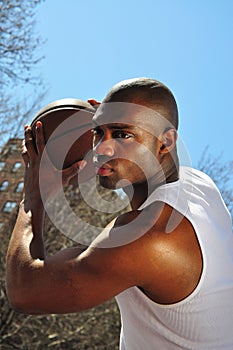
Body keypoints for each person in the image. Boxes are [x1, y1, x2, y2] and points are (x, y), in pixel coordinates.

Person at [6, 78, 233, 349]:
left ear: (165, 142)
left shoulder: (148, 236)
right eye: (98, 133)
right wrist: (114, 119)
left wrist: (34, 195)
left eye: (122, 134)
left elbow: (25, 291)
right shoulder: (197, 185)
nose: (101, 148)